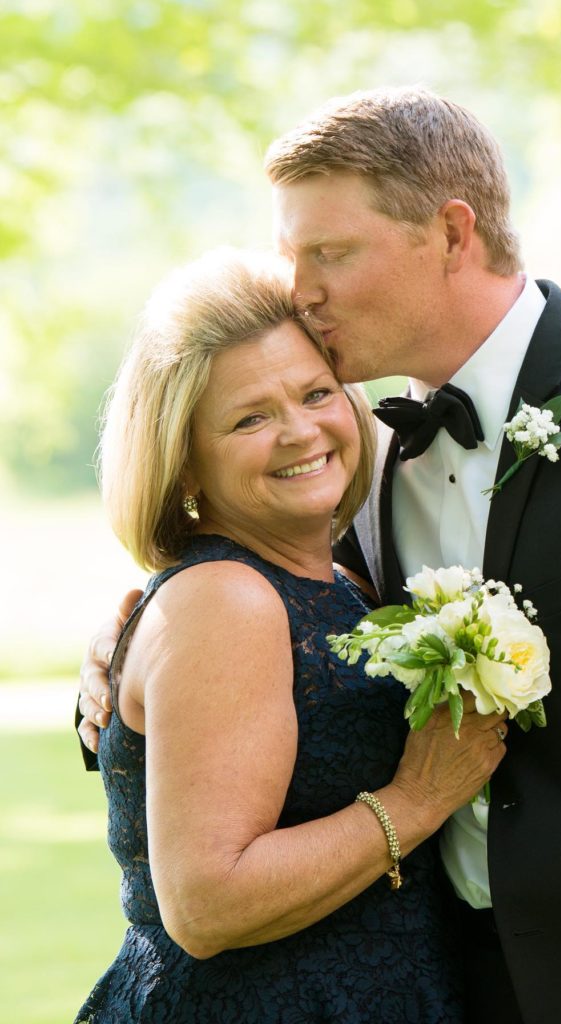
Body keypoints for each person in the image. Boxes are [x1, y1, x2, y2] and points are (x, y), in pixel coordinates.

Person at [79, 89, 561, 1023]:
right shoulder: (372, 456)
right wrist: (129, 639)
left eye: (329, 253)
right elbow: (265, 628)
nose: (300, 288)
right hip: (443, 983)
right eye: (291, 256)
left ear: (451, 233)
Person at [73, 246, 508, 1024]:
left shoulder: (339, 581)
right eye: (250, 418)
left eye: (315, 393)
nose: (300, 432)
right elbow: (206, 904)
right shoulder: (226, 601)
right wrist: (416, 800)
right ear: (186, 466)